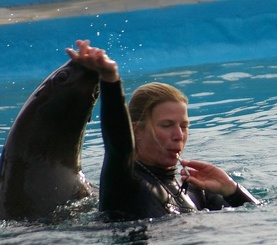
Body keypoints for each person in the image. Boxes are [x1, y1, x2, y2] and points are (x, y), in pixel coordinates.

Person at [66, 40, 259, 221]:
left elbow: (259, 220)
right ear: (136, 132)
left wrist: (232, 189)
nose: (179, 136)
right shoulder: (125, 183)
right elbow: (118, 144)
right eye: (166, 126)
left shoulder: (196, 190)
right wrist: (111, 79)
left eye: (184, 126)